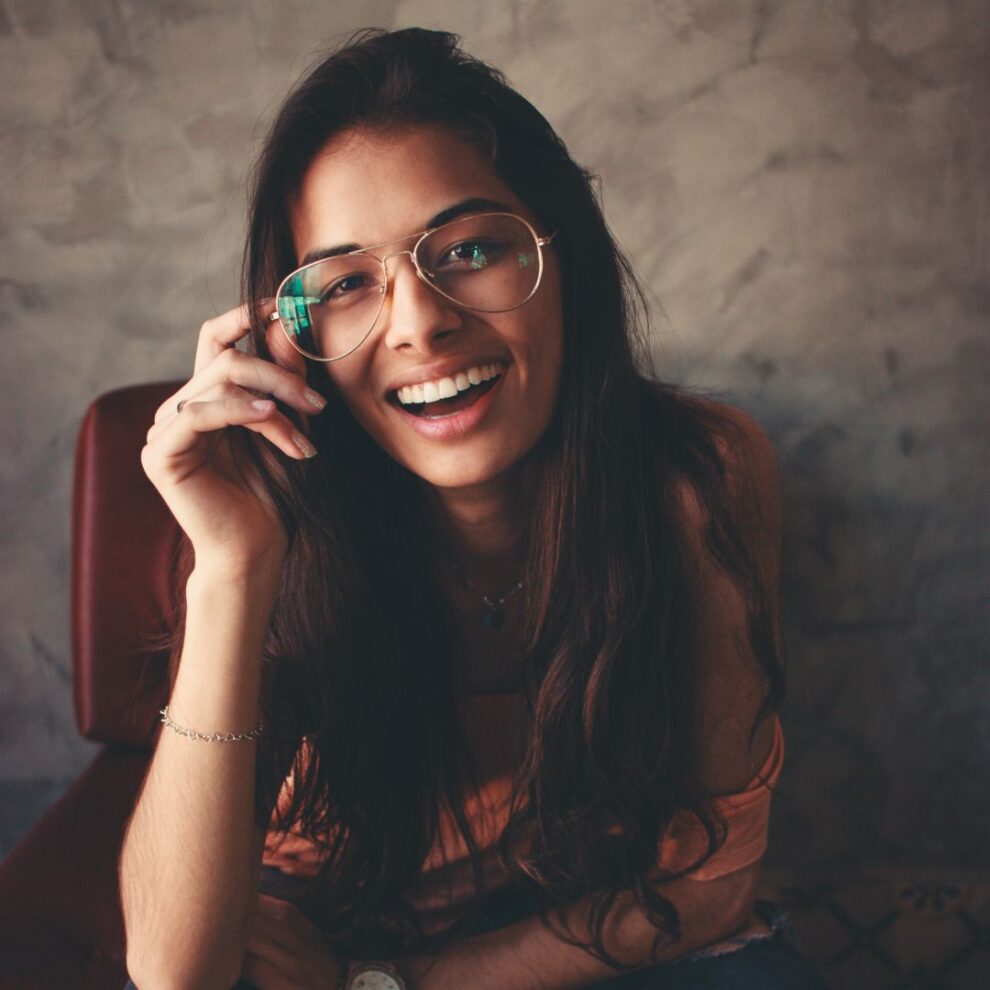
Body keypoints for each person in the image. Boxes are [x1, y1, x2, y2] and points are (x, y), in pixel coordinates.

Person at [119, 26, 827, 990]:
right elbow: (173, 973)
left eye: (473, 249)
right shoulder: (262, 506)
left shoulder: (698, 475)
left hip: (593, 919)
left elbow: (705, 890)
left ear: (564, 259)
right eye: (345, 284)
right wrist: (234, 570)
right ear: (290, 333)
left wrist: (391, 987)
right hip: (325, 922)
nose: (418, 324)